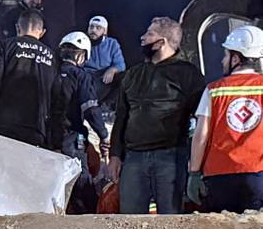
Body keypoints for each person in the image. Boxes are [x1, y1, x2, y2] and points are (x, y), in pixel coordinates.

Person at [110, 17, 206, 215]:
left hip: (170, 158)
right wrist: (115, 155)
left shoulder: (188, 74)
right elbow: (121, 117)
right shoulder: (133, 74)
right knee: (129, 221)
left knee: (170, 220)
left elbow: (202, 119)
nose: (143, 38)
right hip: (134, 159)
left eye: (149, 34)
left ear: (161, 42)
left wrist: (196, 164)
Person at [188, 24, 263, 214]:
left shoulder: (214, 90)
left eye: (226, 55)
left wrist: (194, 173)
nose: (223, 61)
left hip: (219, 177)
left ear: (236, 58)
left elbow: (201, 135)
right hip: (258, 175)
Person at [0, 8, 58, 148]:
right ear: (42, 32)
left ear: (18, 27)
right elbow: (55, 98)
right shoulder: (52, 58)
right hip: (35, 130)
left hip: (2, 123)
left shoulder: (6, 46)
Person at [54, 31, 109, 213]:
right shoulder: (81, 76)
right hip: (71, 140)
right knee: (81, 185)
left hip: (45, 140)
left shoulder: (48, 73)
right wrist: (103, 135)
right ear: (82, 55)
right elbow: (90, 109)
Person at [86, 15, 125, 101]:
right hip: (86, 77)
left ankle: (107, 107)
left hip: (104, 77)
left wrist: (112, 70)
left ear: (105, 31)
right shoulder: (83, 41)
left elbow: (121, 64)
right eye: (91, 27)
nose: (93, 30)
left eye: (98, 28)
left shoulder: (112, 44)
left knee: (123, 77)